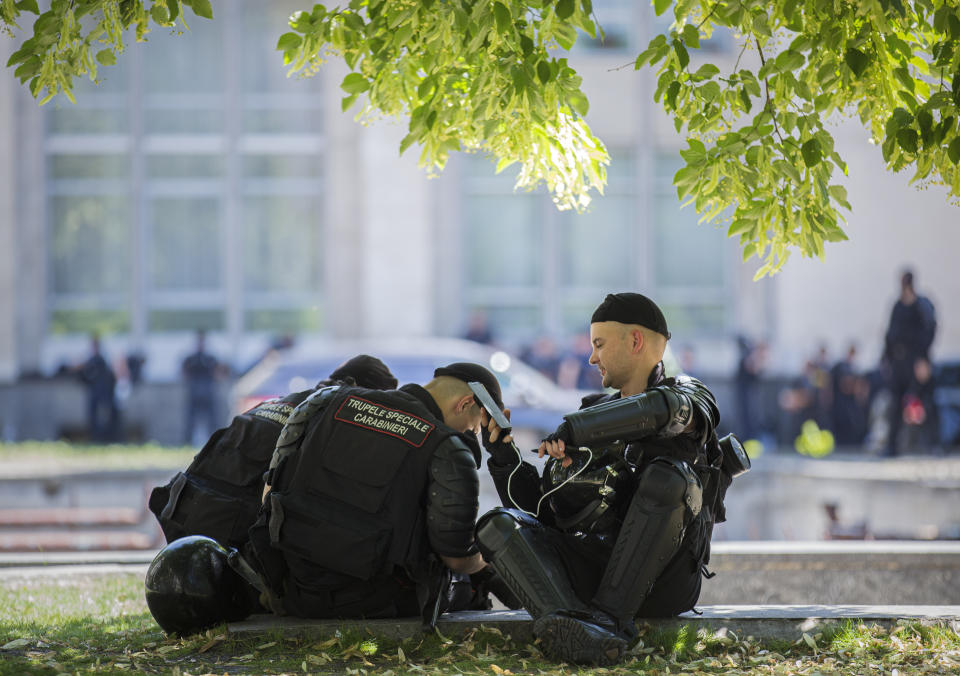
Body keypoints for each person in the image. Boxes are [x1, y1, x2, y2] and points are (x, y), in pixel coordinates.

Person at [144, 361, 514, 635]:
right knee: (470, 576)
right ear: (467, 404)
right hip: (371, 599)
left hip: (292, 586)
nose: (472, 433)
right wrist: (488, 568)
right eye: (477, 425)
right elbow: (456, 553)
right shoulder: (446, 447)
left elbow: (270, 491)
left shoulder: (326, 403)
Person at [475, 293, 745, 665]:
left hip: (664, 581)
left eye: (599, 345)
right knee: (498, 525)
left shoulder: (689, 395)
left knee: (669, 478)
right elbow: (538, 512)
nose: (591, 357)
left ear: (635, 341)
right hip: (595, 564)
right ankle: (574, 628)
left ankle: (606, 623)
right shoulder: (594, 412)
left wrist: (575, 430)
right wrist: (503, 454)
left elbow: (661, 410)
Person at [149, 355, 399, 550]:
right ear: (367, 393)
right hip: (228, 539)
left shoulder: (276, 403)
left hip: (184, 523)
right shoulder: (330, 421)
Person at [882, 270, 937, 455]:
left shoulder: (922, 305)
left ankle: (932, 446)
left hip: (916, 361)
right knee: (896, 404)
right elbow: (889, 334)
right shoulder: (897, 306)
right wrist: (886, 359)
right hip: (899, 363)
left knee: (922, 403)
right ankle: (892, 448)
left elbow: (929, 331)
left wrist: (923, 360)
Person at [182, 330, 223, 445]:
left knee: (212, 418)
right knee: (191, 418)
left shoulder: (211, 358)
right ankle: (188, 440)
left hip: (207, 390)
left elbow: (218, 374)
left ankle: (214, 441)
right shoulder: (190, 359)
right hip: (194, 391)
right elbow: (184, 373)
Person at [77, 334, 119, 443]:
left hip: (101, 394)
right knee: (94, 417)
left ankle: (101, 438)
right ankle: (97, 437)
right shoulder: (94, 359)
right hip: (96, 393)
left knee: (101, 417)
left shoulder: (99, 360)